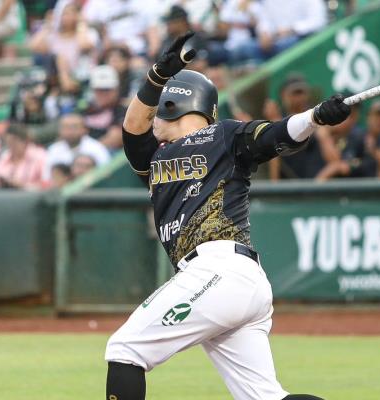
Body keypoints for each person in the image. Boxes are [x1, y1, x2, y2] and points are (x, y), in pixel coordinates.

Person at [105, 31, 349, 400]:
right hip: (235, 280)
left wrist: (314, 117)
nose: (150, 116)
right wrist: (156, 77)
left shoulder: (225, 136)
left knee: (125, 350)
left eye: (158, 106)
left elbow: (276, 134)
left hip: (218, 270)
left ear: (172, 105)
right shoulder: (154, 159)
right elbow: (131, 130)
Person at [28, 1, 96, 94]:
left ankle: (65, 85)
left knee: (61, 59)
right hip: (54, 77)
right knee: (57, 58)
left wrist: (81, 23)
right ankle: (63, 84)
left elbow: (83, 45)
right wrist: (48, 26)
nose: (65, 17)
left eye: (69, 14)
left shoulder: (87, 33)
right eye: (63, 14)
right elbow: (33, 46)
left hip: (79, 77)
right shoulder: (54, 37)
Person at [43, 113, 111, 181]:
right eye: (65, 127)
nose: (69, 131)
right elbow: (47, 177)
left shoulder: (97, 148)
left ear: (85, 129)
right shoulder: (54, 149)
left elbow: (106, 174)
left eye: (74, 127)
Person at [84, 0, 158, 59]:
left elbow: (153, 37)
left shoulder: (146, 2)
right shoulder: (99, 3)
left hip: (138, 53)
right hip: (111, 52)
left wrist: (148, 59)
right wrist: (103, 34)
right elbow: (84, 21)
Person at [0, 124, 47, 191]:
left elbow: (47, 186)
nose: (12, 146)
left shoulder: (39, 155)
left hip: (32, 198)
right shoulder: (4, 156)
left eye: (14, 142)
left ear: (25, 141)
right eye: (8, 143)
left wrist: (22, 186)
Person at [81, 64, 126, 149]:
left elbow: (116, 138)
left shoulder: (123, 110)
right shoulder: (87, 108)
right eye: (98, 89)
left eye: (107, 89)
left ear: (116, 89)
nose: (102, 93)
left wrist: (89, 151)